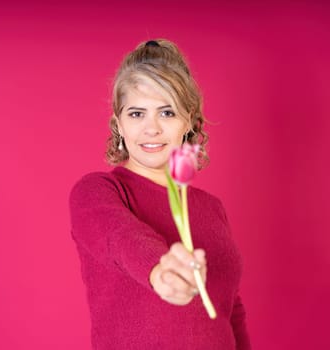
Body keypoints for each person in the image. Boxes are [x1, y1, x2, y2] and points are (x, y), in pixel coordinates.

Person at [69, 39, 251, 349]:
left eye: (166, 113)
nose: (151, 128)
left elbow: (230, 309)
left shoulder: (212, 208)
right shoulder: (97, 192)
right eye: (137, 114)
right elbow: (122, 238)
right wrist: (160, 271)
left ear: (189, 123)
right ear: (119, 125)